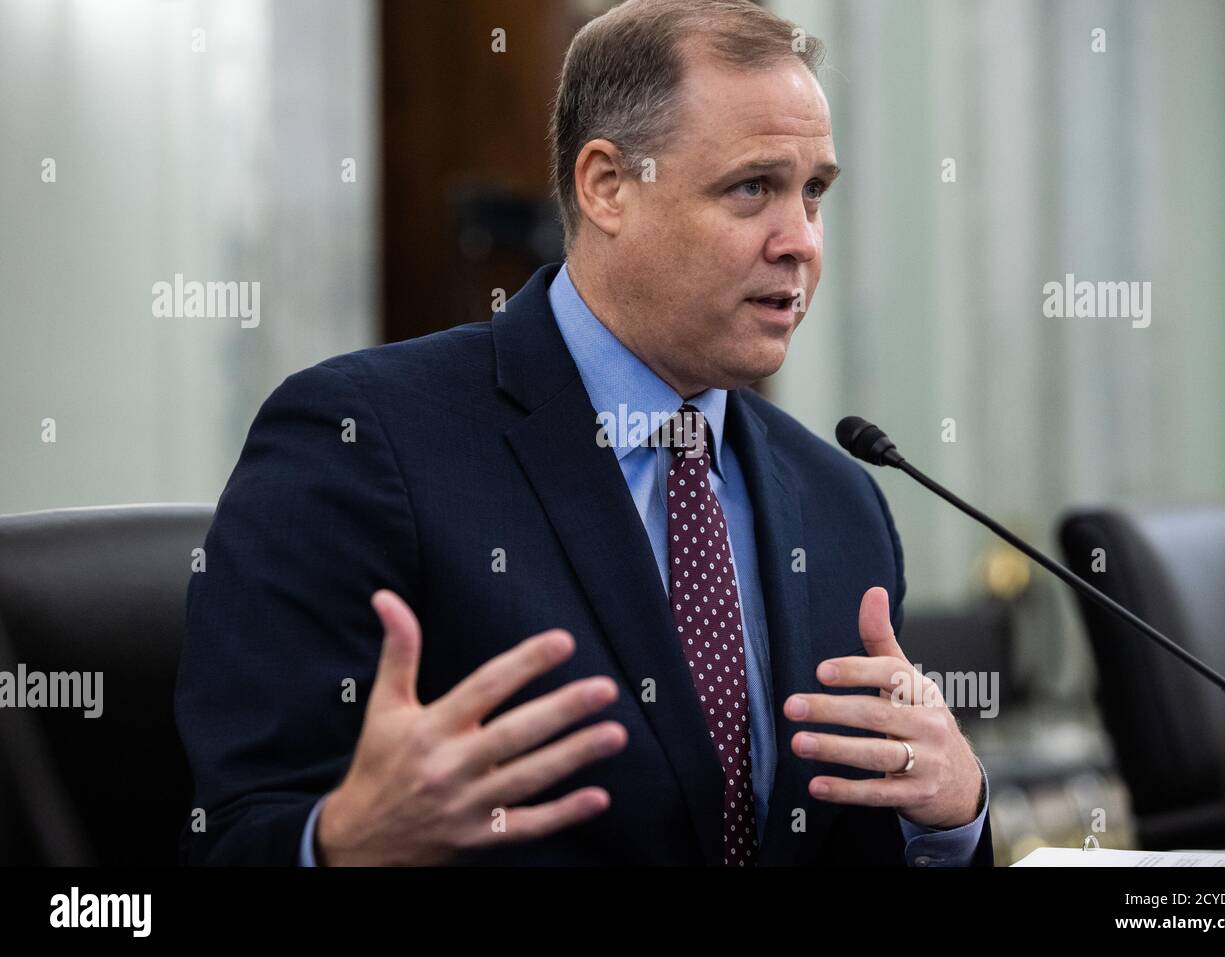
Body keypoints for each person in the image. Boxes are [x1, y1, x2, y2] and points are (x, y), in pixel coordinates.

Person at [176, 0, 991, 867]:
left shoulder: (842, 502)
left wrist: (952, 818)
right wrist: (340, 842)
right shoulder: (361, 441)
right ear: (607, 185)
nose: (800, 242)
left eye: (814, 191)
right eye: (753, 187)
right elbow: (235, 833)